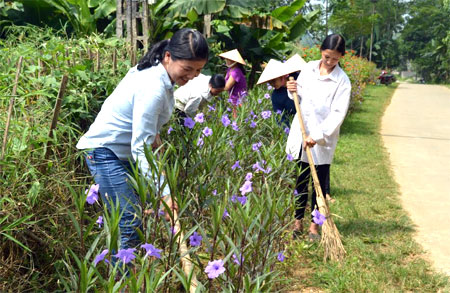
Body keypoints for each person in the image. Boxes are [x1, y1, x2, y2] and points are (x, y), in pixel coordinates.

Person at [76, 28, 209, 253]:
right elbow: (140, 148)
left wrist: (154, 136)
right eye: (187, 69)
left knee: (133, 216)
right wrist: (165, 194)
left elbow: (140, 121)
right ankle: (123, 284)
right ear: (169, 56)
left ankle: (128, 272)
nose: (192, 76)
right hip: (104, 151)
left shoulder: (159, 75)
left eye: (198, 70)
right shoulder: (154, 87)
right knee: (129, 220)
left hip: (120, 151)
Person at [286, 34, 351, 241]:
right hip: (301, 132)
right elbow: (298, 96)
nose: (329, 62)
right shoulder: (308, 69)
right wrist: (292, 90)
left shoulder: (342, 81)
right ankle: (297, 222)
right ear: (320, 51)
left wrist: (317, 135)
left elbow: (337, 114)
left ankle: (314, 226)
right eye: (326, 57)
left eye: (334, 58)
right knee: (301, 180)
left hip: (322, 139)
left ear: (342, 57)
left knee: (319, 185)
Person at [256, 55, 305, 128]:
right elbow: (281, 118)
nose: (272, 84)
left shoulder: (300, 79)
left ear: (283, 76)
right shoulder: (276, 96)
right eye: (269, 82)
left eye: (274, 80)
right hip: (296, 125)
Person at [219, 49, 247, 118]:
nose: (226, 60)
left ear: (234, 61)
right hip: (233, 99)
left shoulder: (236, 72)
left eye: (228, 59)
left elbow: (226, 87)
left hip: (239, 99)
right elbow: (224, 81)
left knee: (238, 119)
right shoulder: (230, 70)